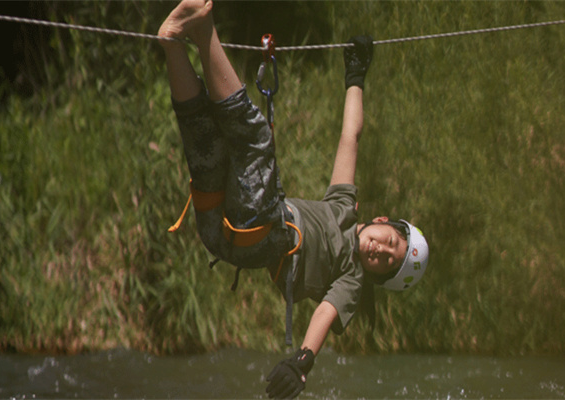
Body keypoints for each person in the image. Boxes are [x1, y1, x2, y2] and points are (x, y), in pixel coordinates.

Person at [157, 1, 429, 398]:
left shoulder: (352, 278)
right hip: (224, 230)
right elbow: (350, 137)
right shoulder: (343, 207)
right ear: (383, 221)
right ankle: (171, 44)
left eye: (386, 263)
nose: (379, 250)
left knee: (255, 138)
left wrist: (303, 360)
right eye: (390, 243)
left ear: (376, 277)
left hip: (261, 232)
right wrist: (355, 76)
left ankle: (203, 30)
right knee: (207, 142)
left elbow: (325, 311)